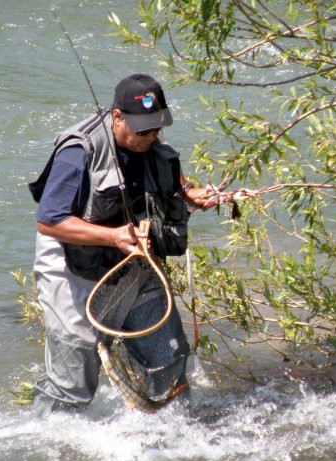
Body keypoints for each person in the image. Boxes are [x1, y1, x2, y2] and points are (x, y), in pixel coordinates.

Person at [29, 73, 215, 416]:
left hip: (133, 263)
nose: (151, 135)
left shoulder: (150, 143)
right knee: (73, 386)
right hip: (72, 268)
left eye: (157, 127)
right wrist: (113, 236)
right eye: (143, 129)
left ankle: (175, 439)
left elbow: (164, 170)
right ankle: (43, 441)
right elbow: (49, 221)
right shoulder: (78, 152)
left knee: (170, 361)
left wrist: (189, 193)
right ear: (117, 117)